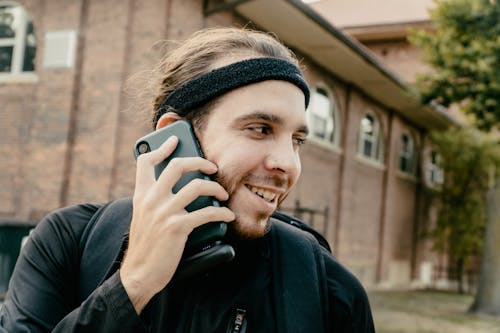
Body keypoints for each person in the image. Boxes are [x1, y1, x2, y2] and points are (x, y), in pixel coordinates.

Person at [0, 27, 375, 332]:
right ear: (175, 137)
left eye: (296, 140)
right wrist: (134, 284)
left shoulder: (328, 290)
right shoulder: (66, 244)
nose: (287, 164)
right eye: (260, 129)